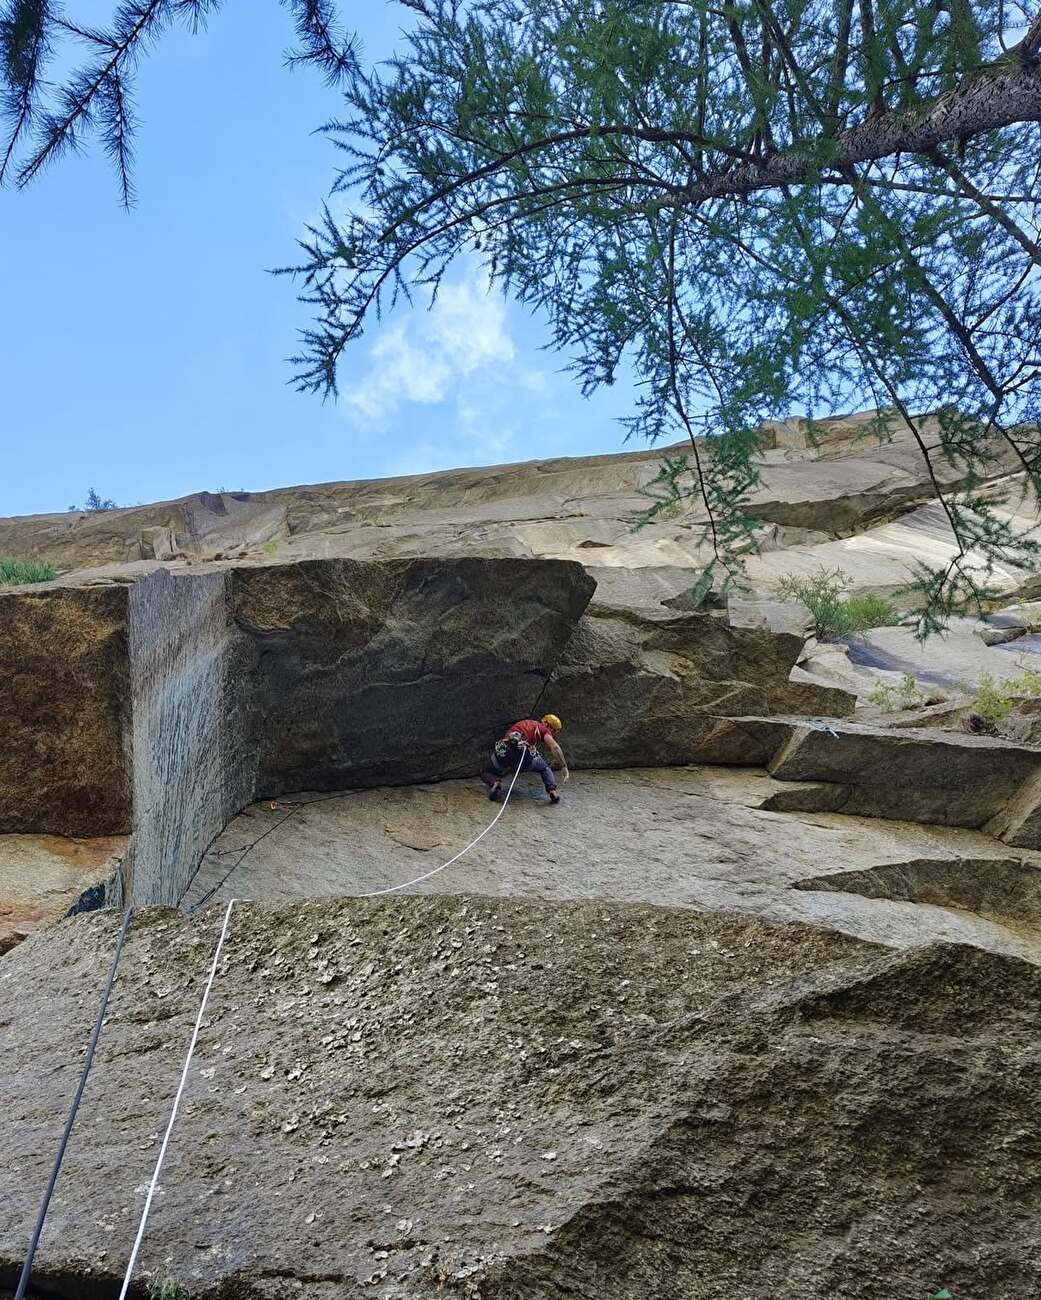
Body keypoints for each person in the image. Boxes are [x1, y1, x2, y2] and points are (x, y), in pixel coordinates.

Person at [482, 714, 570, 804]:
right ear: (550, 727)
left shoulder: (527, 723)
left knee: (486, 772)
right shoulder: (544, 730)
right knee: (544, 768)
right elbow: (555, 747)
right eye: (554, 731)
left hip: (504, 751)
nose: (553, 734)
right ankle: (552, 791)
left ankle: (495, 783)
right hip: (522, 755)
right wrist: (564, 766)